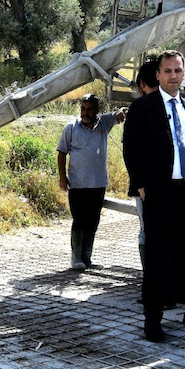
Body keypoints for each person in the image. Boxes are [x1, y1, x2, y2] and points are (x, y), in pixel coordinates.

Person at [122, 50, 185, 342]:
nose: (173, 76)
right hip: (160, 192)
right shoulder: (143, 107)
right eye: (167, 71)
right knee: (157, 256)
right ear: (158, 75)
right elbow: (131, 149)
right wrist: (140, 184)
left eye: (177, 71)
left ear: (183, 74)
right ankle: (153, 319)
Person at [57, 94, 126, 270]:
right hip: (78, 184)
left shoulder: (104, 122)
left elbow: (122, 113)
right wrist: (62, 177)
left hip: (98, 183)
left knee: (93, 221)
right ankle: (76, 258)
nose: (85, 112)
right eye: (83, 108)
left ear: (97, 110)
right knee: (79, 220)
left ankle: (87, 257)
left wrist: (122, 112)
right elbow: (61, 153)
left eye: (89, 109)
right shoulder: (71, 127)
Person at [127, 59, 160, 296]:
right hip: (157, 185)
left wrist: (139, 185)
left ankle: (152, 282)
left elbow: (130, 151)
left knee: (147, 232)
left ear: (141, 85)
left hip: (146, 186)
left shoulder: (138, 109)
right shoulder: (172, 107)